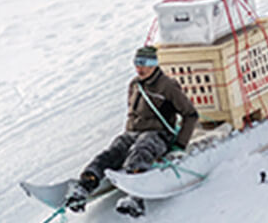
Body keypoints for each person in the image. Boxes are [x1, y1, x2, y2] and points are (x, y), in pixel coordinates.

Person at [67, 45, 199, 214]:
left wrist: (179, 145)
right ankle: (85, 186)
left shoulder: (168, 86)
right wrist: (126, 139)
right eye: (137, 63)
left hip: (158, 135)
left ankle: (136, 196)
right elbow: (132, 114)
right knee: (112, 152)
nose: (140, 68)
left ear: (154, 64)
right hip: (133, 133)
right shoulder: (135, 85)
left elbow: (190, 114)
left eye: (144, 63)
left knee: (141, 150)